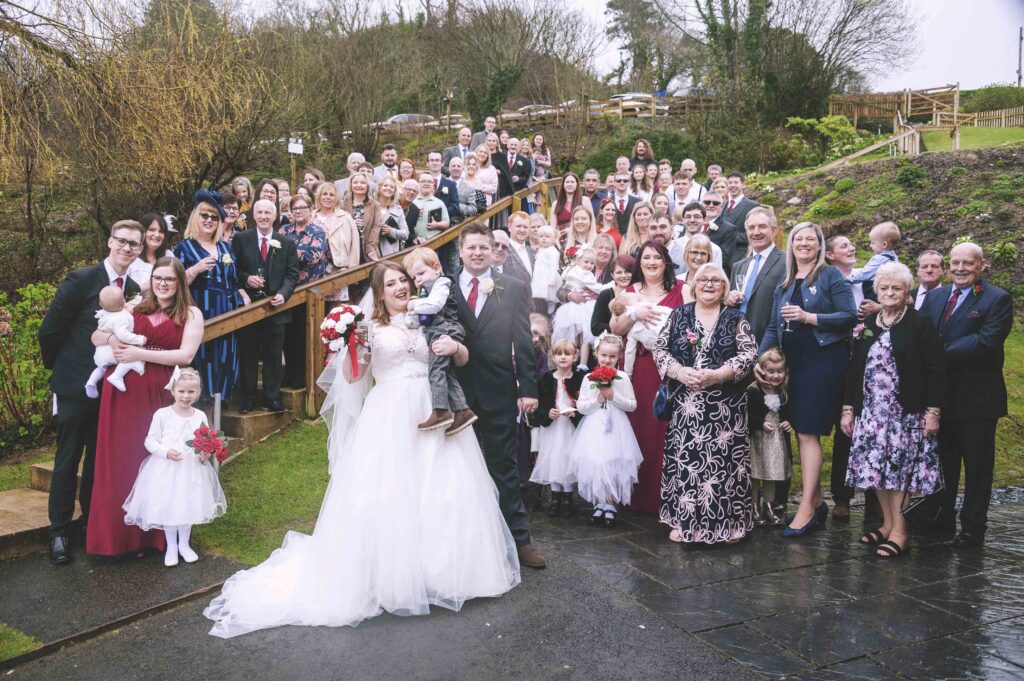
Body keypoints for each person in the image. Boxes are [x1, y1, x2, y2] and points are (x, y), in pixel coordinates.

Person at [205, 261, 520, 637]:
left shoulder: (426, 315)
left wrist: (456, 347)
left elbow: (460, 360)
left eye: (403, 280)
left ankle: (447, 571)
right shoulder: (369, 327)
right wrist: (349, 347)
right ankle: (393, 576)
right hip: (390, 414)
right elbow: (354, 379)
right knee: (391, 492)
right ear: (380, 292)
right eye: (391, 283)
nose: (401, 287)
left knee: (445, 487)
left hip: (437, 411)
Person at [439, 222, 545, 569]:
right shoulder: (443, 288)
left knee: (504, 467)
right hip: (457, 394)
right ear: (461, 250)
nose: (478, 253)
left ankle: (519, 540)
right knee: (457, 469)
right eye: (471, 247)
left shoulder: (511, 287)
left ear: (493, 250)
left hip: (498, 390)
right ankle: (460, 544)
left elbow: (523, 341)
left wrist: (528, 387)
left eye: (484, 247)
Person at [38, 220, 145, 564]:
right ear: (110, 241)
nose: (127, 249)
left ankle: (88, 524)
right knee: (68, 459)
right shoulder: (81, 279)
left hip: (111, 391)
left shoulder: (133, 288)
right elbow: (50, 330)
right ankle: (58, 531)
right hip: (74, 384)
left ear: (141, 250)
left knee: (99, 460)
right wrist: (62, 373)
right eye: (123, 241)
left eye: (135, 244)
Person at [86, 257, 204, 556]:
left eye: (169, 279)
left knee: (155, 461)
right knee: (120, 459)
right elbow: (95, 334)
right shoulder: (135, 306)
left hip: (159, 393)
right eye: (158, 278)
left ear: (179, 283)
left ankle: (156, 539)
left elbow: (186, 355)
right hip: (121, 392)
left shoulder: (191, 314)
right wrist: (113, 338)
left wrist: (139, 351)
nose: (162, 284)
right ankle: (116, 540)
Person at [840, 262, 945, 558]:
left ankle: (900, 532)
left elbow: (936, 368)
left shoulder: (919, 322)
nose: (889, 293)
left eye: (896, 288)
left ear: (906, 291)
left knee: (898, 473)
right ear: (876, 290)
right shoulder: (870, 322)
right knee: (878, 472)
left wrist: (933, 412)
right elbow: (854, 368)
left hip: (904, 414)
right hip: (872, 412)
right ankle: (887, 525)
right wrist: (849, 409)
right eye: (884, 288)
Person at [759, 222, 857, 537]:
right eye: (798, 239)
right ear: (791, 245)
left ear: (819, 245)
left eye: (810, 239)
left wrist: (809, 317)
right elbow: (774, 328)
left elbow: (849, 315)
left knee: (808, 431)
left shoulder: (830, 275)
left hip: (823, 361)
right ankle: (817, 500)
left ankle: (807, 508)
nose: (803, 243)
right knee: (800, 430)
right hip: (793, 365)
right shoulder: (784, 283)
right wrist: (760, 362)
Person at [914, 243, 1013, 548]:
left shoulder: (997, 299)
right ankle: (941, 517)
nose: (960, 268)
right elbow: (921, 334)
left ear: (981, 265)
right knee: (944, 462)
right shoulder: (934, 296)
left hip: (978, 399)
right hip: (940, 398)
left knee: (978, 466)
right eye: (955, 262)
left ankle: (972, 528)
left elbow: (986, 341)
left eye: (967, 263)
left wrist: (936, 356)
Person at [654, 264, 757, 544]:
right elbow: (660, 348)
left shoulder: (736, 318)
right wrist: (678, 372)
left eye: (715, 281)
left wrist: (718, 375)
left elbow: (749, 355)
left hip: (726, 408)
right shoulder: (679, 314)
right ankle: (684, 522)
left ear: (723, 288)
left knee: (723, 467)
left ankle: (728, 527)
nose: (709, 285)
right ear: (694, 285)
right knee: (688, 463)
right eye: (703, 280)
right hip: (687, 406)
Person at [608, 241, 686, 514]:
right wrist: (634, 314)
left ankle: (669, 495)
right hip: (640, 369)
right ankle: (638, 496)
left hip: (672, 370)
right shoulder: (629, 291)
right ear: (639, 263)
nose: (651, 262)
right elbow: (615, 328)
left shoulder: (682, 289)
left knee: (668, 430)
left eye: (657, 257)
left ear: (666, 261)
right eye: (646, 258)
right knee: (640, 426)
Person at [123, 367, 227, 567]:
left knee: (187, 504)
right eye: (181, 391)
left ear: (197, 393)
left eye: (191, 392)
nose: (186, 396)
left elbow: (204, 440)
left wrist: (205, 453)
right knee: (170, 505)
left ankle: (184, 545)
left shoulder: (200, 416)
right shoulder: (162, 415)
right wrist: (165, 452)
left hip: (191, 469)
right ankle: (171, 546)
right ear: (172, 391)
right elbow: (150, 441)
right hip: (167, 468)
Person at [570, 334, 642, 529]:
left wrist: (613, 396)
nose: (607, 360)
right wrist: (598, 400)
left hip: (617, 427)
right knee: (597, 461)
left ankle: (610, 505)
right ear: (596, 354)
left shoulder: (623, 377)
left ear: (619, 357)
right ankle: (599, 503)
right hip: (594, 427)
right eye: (603, 355)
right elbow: (582, 406)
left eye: (612, 356)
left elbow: (632, 405)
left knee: (613, 461)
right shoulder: (588, 378)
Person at [234, 199, 300, 413]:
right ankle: (248, 398)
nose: (263, 216)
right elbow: (234, 270)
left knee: (273, 354)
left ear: (274, 216)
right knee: (248, 353)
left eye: (267, 213)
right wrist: (246, 279)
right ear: (254, 215)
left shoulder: (286, 243)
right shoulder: (241, 239)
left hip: (276, 308)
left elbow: (292, 274)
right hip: (249, 308)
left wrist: (283, 294)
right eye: (259, 212)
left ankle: (272, 398)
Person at [175, 197, 243, 403]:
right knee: (203, 359)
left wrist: (242, 292)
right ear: (196, 217)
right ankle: (199, 414)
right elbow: (175, 283)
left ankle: (218, 415)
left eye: (214, 217)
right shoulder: (184, 247)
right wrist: (196, 269)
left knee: (226, 360)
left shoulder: (225, 248)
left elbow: (234, 279)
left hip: (227, 311)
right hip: (200, 310)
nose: (209, 220)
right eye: (204, 215)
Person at [403, 248, 477, 434]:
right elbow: (417, 320)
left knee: (435, 371)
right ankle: (462, 411)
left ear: (437, 268)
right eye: (414, 277)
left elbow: (435, 305)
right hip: (435, 331)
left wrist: (413, 305)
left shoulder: (442, 283)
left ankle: (441, 411)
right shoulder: (424, 291)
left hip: (445, 329)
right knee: (445, 372)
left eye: (421, 273)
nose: (418, 279)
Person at [529, 339, 585, 518]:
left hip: (569, 427)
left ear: (574, 357)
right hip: (553, 427)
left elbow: (584, 402)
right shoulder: (546, 378)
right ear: (553, 356)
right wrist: (548, 413)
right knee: (553, 458)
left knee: (568, 458)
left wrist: (575, 413)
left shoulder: (579, 379)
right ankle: (555, 498)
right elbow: (541, 404)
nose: (563, 357)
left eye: (567, 354)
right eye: (559, 354)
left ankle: (568, 497)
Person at [280, 194, 329, 389]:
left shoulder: (317, 231)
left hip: (308, 292)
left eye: (302, 207)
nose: (298, 211)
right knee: (287, 336)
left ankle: (301, 377)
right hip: (286, 291)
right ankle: (288, 374)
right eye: (295, 208)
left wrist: (287, 254)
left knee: (303, 336)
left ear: (310, 209)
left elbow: (311, 257)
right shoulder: (284, 230)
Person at [748, 349, 793, 526]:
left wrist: (788, 422)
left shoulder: (782, 391)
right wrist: (760, 423)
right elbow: (748, 415)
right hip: (758, 441)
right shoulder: (753, 390)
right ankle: (754, 508)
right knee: (756, 474)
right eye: (771, 371)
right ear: (762, 370)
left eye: (779, 371)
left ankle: (769, 507)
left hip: (775, 441)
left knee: (771, 475)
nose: (775, 376)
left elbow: (787, 413)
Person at [726, 207, 786, 342]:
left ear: (774, 230)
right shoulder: (739, 266)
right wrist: (728, 298)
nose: (756, 232)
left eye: (762, 227)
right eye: (751, 228)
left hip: (769, 340)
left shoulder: (786, 263)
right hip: (737, 338)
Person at [85, 286, 146, 398]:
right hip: (112, 350)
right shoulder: (119, 318)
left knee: (100, 368)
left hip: (101, 350)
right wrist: (139, 339)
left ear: (101, 304)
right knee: (128, 357)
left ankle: (91, 382)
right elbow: (123, 335)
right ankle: (117, 376)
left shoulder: (105, 313)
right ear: (123, 302)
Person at [553, 247, 603, 369]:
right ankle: (575, 362)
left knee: (584, 336)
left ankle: (580, 364)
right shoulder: (581, 273)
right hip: (578, 307)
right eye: (586, 262)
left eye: (592, 263)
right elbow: (561, 290)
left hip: (588, 306)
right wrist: (570, 295)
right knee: (577, 336)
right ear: (578, 260)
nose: (589, 265)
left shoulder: (576, 271)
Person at [851, 221, 901, 307]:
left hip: (874, 294)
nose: (870, 246)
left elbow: (864, 274)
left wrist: (847, 278)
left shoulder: (879, 259)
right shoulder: (894, 258)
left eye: (873, 243)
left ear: (884, 244)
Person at [340, 171, 383, 262]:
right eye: (355, 182)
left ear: (367, 186)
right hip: (348, 250)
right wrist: (350, 223)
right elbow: (339, 225)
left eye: (363, 183)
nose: (358, 185)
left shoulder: (375, 205)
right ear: (351, 185)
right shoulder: (343, 204)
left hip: (368, 249)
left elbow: (376, 227)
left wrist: (370, 247)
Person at [589, 255, 635, 338]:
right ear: (612, 275)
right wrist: (620, 328)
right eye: (619, 272)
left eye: (627, 271)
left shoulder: (641, 292)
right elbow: (595, 327)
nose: (624, 275)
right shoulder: (606, 295)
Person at [669, 202, 722, 275]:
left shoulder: (714, 250)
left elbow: (716, 277)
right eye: (688, 216)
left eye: (697, 216)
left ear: (705, 220)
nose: (692, 220)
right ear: (683, 220)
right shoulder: (673, 246)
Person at [128, 213, 172, 291]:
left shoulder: (168, 255)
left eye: (161, 231)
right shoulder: (130, 258)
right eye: (152, 230)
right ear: (142, 232)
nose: (157, 234)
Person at [719, 172, 756, 254]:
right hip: (720, 251)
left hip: (738, 253)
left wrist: (729, 236)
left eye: (736, 182)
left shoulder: (752, 206)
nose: (732, 185)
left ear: (743, 185)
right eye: (730, 183)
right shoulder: (722, 204)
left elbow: (753, 233)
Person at [409, 172, 450, 245]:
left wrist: (437, 225)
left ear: (433, 184)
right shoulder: (411, 201)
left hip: (433, 243)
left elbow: (447, 223)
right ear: (418, 183)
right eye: (423, 181)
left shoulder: (439, 203)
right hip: (413, 243)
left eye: (429, 182)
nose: (426, 183)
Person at [375, 176, 410, 257]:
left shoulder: (398, 209)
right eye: (385, 185)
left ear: (394, 191)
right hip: (372, 253)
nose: (388, 188)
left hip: (391, 253)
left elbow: (406, 234)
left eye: (392, 187)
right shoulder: (370, 206)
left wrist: (391, 231)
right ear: (379, 187)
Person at [531, 225, 562, 315]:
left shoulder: (552, 251)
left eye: (547, 237)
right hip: (540, 274)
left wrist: (552, 279)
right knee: (540, 292)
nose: (544, 239)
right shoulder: (541, 250)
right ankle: (542, 306)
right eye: (541, 237)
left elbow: (553, 266)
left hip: (548, 275)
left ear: (553, 239)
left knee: (549, 292)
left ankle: (551, 304)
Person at [550, 172, 588, 238]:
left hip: (580, 237)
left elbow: (590, 222)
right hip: (561, 238)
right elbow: (552, 228)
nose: (570, 184)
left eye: (572, 182)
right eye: (567, 182)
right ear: (563, 185)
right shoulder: (556, 204)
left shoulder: (585, 200)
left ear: (577, 184)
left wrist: (572, 230)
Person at [502, 211, 535, 284]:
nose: (522, 230)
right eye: (518, 226)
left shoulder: (533, 253)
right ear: (509, 227)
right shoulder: (502, 250)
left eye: (525, 227)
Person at [679, 235, 714, 304]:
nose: (698, 257)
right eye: (694, 252)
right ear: (687, 254)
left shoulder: (715, 283)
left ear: (708, 257)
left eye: (703, 253)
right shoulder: (677, 280)